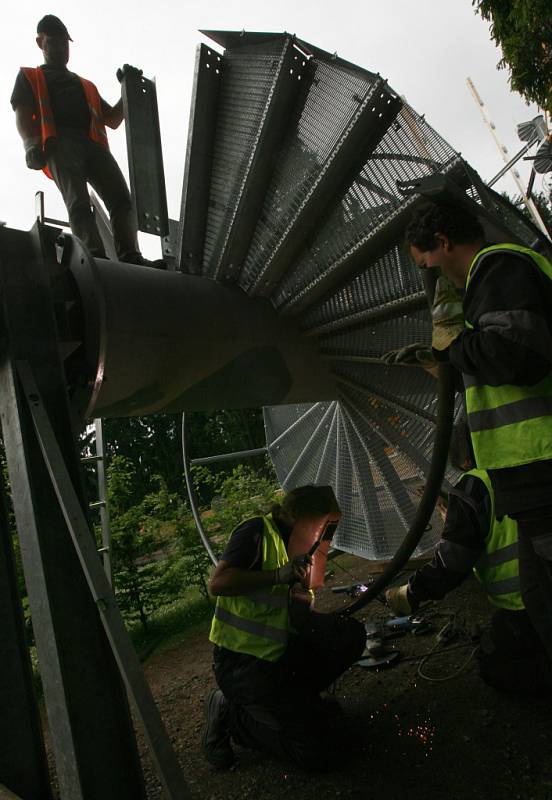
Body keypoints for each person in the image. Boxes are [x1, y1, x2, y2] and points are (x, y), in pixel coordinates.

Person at [400, 199, 552, 661]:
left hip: (542, 465)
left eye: (427, 263)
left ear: (443, 242)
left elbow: (513, 353)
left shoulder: (499, 266)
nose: (432, 277)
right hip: (524, 474)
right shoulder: (491, 286)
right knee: (541, 599)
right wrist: (443, 359)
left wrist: (452, 344)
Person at [202, 485, 366, 771]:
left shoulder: (301, 547)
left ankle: (300, 705)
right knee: (314, 753)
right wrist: (277, 575)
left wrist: (303, 592)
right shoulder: (256, 532)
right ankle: (230, 714)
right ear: (297, 516)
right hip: (243, 665)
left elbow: (296, 613)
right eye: (321, 524)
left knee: (348, 634)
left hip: (279, 654)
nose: (325, 533)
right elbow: (218, 583)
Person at [385, 421, 552, 695]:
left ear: (464, 459)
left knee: (494, 664)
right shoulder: (530, 462)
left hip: (526, 606)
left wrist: (411, 593)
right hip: (545, 588)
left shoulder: (475, 483)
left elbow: (453, 562)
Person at [11, 15, 158, 266]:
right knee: (78, 202)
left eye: (64, 44)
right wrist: (31, 145)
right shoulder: (30, 76)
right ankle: (95, 258)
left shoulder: (85, 85)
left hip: (93, 145)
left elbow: (112, 119)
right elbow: (23, 112)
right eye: (53, 42)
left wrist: (127, 88)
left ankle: (131, 256)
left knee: (121, 199)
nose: (60, 48)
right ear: (40, 43)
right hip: (60, 143)